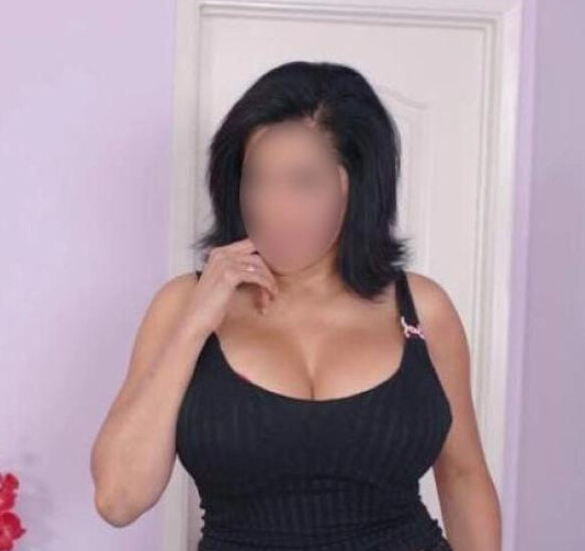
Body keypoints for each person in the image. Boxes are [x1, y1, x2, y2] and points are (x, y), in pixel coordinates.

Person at [91, 61, 501, 550]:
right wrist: (195, 323)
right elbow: (119, 499)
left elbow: (463, 476)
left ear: (356, 184)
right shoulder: (184, 304)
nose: (273, 208)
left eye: (303, 182)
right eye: (257, 180)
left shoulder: (421, 310)